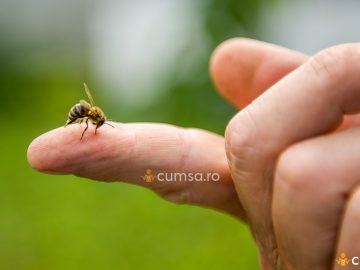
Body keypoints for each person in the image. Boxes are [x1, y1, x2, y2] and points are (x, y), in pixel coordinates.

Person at [27, 38, 360, 269]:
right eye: (96, 123)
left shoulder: (95, 118)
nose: (96, 125)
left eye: (96, 123)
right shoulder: (90, 117)